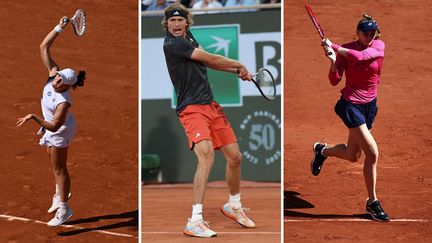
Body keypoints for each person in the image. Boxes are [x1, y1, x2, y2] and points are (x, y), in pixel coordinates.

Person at [162, 3, 256, 238]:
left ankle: (233, 206)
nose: (175, 25)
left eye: (179, 21)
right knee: (206, 157)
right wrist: (239, 65)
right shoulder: (174, 43)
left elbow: (208, 63)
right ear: (166, 24)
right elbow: (211, 57)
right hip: (191, 109)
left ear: (186, 23)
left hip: (211, 106)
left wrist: (236, 73)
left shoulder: (188, 36)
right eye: (171, 21)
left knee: (235, 157)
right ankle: (194, 220)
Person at [311, 14, 389, 222]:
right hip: (350, 105)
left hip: (369, 106)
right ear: (358, 33)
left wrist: (334, 47)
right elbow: (334, 81)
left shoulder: (378, 46)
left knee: (352, 155)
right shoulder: (346, 49)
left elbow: (360, 58)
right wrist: (333, 62)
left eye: (372, 33)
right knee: (372, 153)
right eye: (366, 33)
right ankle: (372, 202)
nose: (370, 36)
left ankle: (322, 150)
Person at [16, 16, 86, 227]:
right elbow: (44, 47)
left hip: (60, 129)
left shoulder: (63, 103)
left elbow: (55, 126)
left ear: (68, 86)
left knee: (59, 168)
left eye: (61, 81)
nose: (56, 81)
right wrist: (59, 28)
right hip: (51, 125)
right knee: (51, 159)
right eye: (57, 77)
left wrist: (34, 118)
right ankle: (59, 193)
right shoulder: (54, 74)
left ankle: (65, 209)